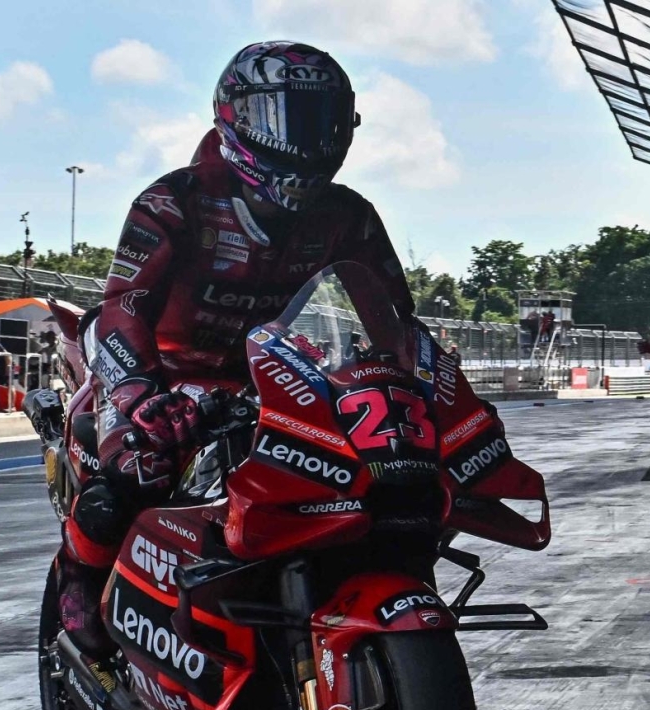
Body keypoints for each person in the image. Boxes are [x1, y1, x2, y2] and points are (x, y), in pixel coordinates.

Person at [55, 41, 426, 654]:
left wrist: (432, 388)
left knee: (386, 474)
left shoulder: (349, 217)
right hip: (162, 376)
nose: (307, 141)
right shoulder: (172, 201)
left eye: (322, 121)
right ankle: (79, 575)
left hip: (275, 380)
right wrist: (138, 392)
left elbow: (396, 321)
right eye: (290, 121)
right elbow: (123, 308)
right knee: (135, 468)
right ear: (238, 118)